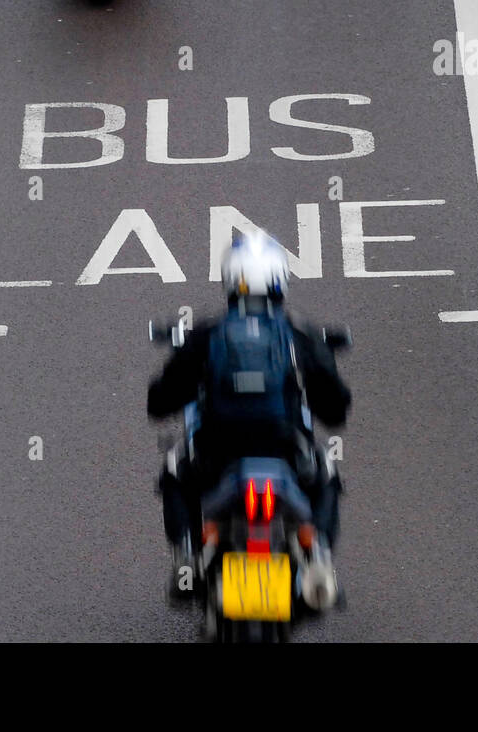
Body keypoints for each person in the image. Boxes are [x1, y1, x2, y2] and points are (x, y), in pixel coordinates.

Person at [147, 232, 351, 611]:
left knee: (175, 471)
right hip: (286, 448)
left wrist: (166, 396)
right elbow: (335, 407)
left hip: (216, 450)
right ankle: (319, 558)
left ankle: (188, 558)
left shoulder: (208, 333)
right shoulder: (298, 333)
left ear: (229, 279)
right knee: (327, 474)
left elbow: (162, 401)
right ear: (280, 280)